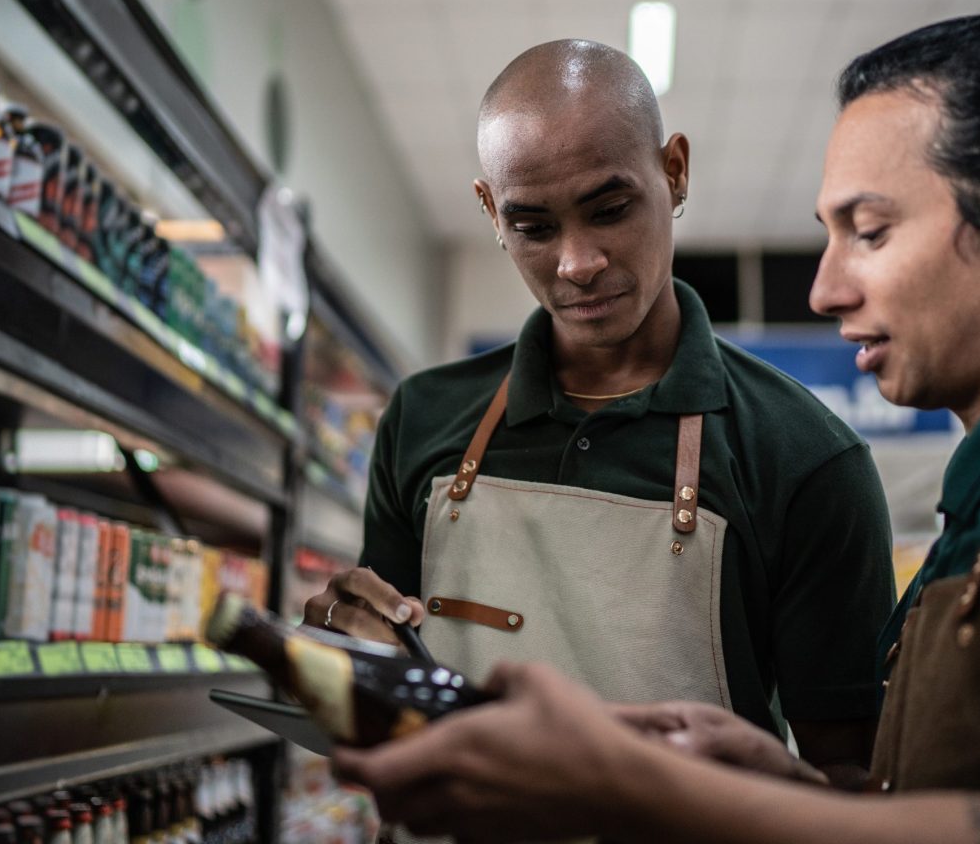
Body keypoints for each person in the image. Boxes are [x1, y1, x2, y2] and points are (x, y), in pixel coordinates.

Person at [330, 16, 980, 844]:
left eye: (872, 230)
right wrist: (785, 780)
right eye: (829, 234)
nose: (826, 285)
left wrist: (643, 789)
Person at [305, 39, 896, 783]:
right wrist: (344, 658)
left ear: (674, 171)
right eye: (533, 226)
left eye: (609, 209)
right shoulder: (422, 420)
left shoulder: (805, 458)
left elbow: (851, 776)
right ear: (490, 209)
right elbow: (389, 693)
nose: (577, 262)